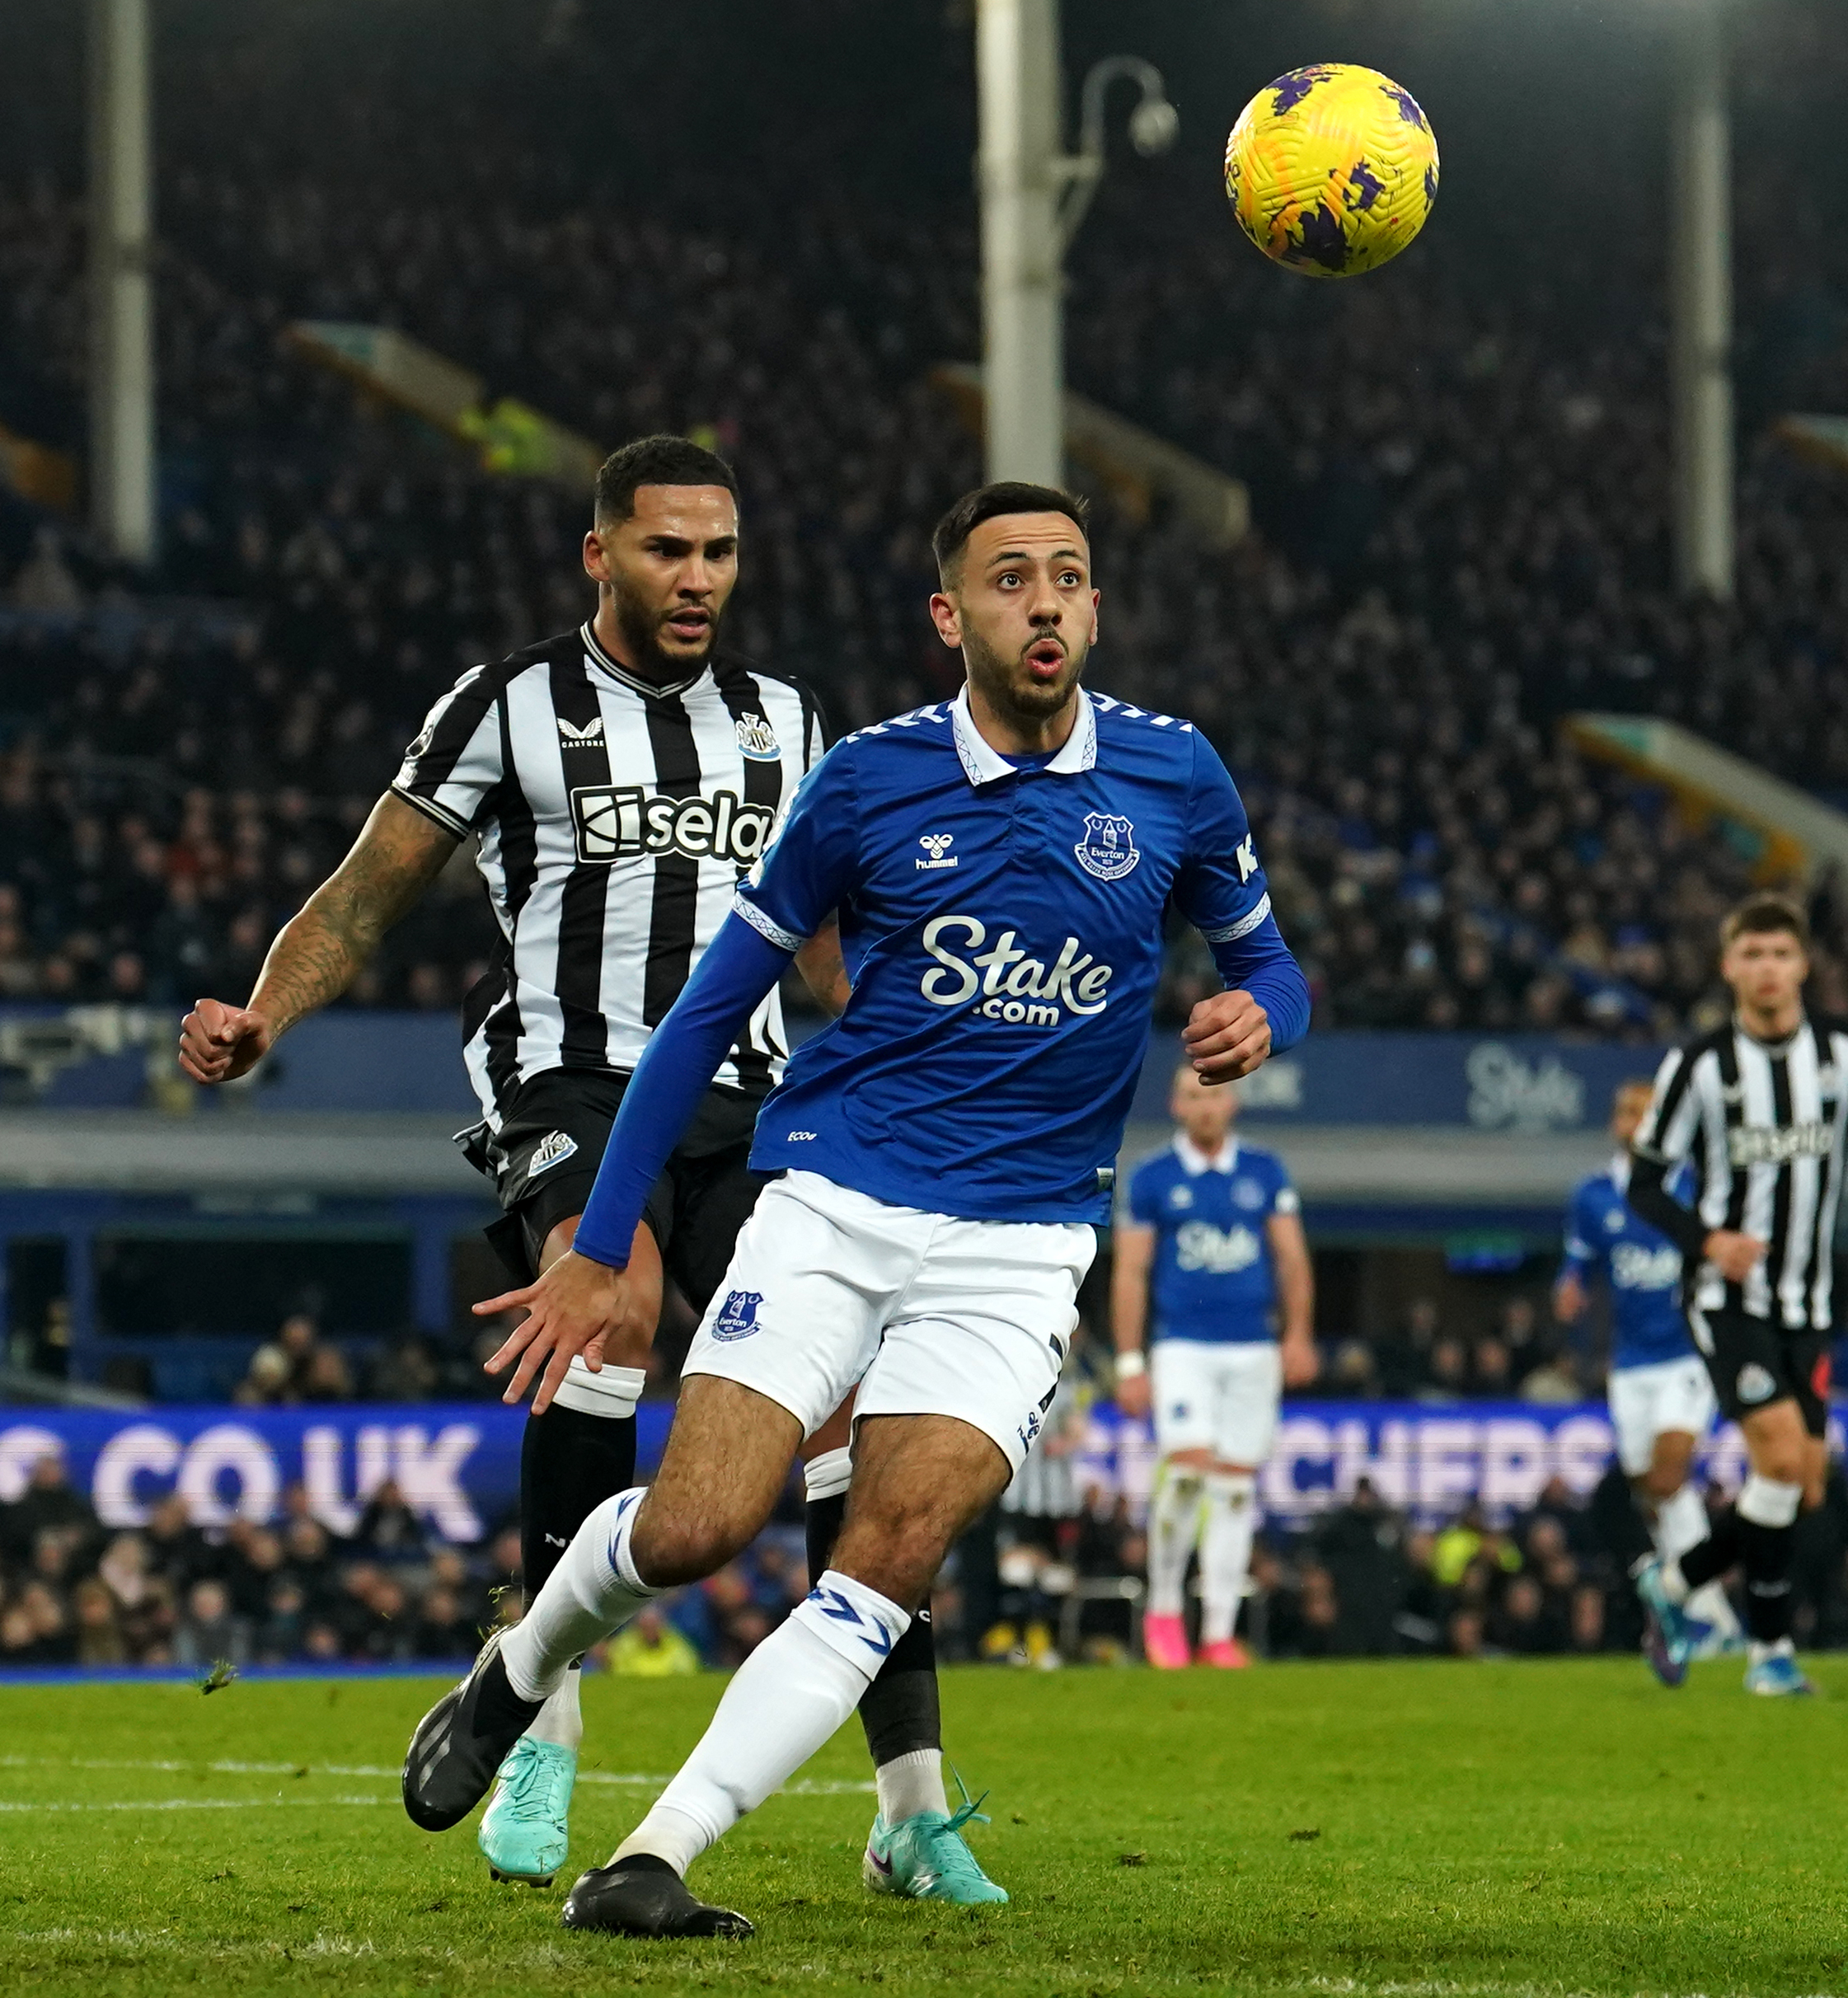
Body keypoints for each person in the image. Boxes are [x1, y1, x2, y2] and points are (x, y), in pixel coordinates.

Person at [405, 480, 1309, 1939]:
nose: (1044, 601)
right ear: (951, 615)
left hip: (1022, 1244)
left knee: (884, 1550)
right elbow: (703, 1020)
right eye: (1010, 578)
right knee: (698, 1524)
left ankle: (653, 1852)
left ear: (1093, 607)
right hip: (833, 1199)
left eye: (1068, 576)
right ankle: (514, 1674)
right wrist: (592, 1241)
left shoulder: (1174, 774)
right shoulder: (867, 781)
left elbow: (1272, 962)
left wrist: (1257, 1016)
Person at [176, 435, 958, 1897]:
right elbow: (364, 894)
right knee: (605, 1307)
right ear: (599, 553)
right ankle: (542, 1712)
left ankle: (907, 1800)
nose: (696, 579)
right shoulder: (507, 703)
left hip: (749, 1097)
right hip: (567, 1072)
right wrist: (260, 1010)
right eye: (666, 549)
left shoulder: (785, 720)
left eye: (718, 552)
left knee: (856, 1409)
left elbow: (837, 954)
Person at [1622, 895, 1848, 1696]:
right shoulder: (1697, 1067)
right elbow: (1647, 1187)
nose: (1767, 969)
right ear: (1729, 967)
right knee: (1780, 1457)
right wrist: (1709, 1241)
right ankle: (1769, 1655)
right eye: (1752, 954)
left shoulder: (1846, 1049)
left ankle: (1677, 1582)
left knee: (1797, 1483)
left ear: (1803, 966)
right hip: (1730, 1298)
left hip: (1810, 1304)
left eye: (1780, 955)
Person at [1110, 1066, 1317, 1670]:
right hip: (1183, 1346)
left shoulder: (1263, 1171)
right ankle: (1167, 1609)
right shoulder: (1153, 1178)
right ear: (1177, 1105)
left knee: (1232, 1489)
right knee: (1186, 1472)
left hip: (1254, 1347)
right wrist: (1130, 1362)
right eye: (1196, 1097)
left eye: (1216, 1095)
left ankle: (1220, 1633)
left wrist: (1299, 1335)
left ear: (1233, 1103)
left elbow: (1292, 1259)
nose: (1206, 1107)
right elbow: (1130, 1272)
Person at [1557, 1078, 1738, 1655]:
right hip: (1629, 1364)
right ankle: (1703, 1614)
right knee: (1653, 1494)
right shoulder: (1592, 1195)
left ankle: (1702, 1613)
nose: (1629, 1120)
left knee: (1668, 1476)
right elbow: (1577, 1263)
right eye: (1622, 1110)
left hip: (1687, 1352)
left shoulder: (1694, 1186)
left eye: (1641, 1111)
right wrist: (1568, 1288)